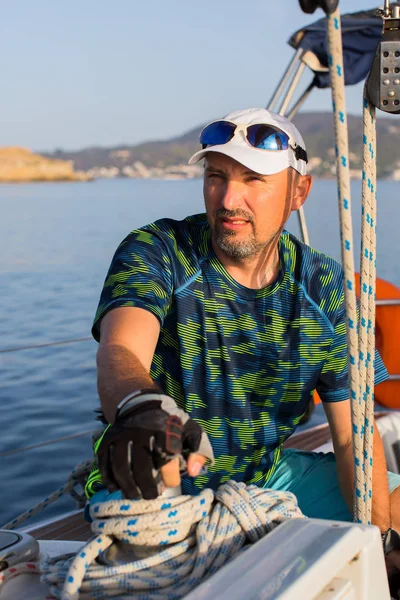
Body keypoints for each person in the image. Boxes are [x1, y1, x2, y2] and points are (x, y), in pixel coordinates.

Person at [89, 108, 400, 574]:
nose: (229, 198)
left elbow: (351, 434)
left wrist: (376, 547)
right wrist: (141, 407)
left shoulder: (326, 289)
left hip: (264, 477)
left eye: (254, 180)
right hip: (156, 474)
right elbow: (120, 351)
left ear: (299, 191)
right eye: (216, 176)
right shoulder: (160, 250)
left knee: (393, 507)